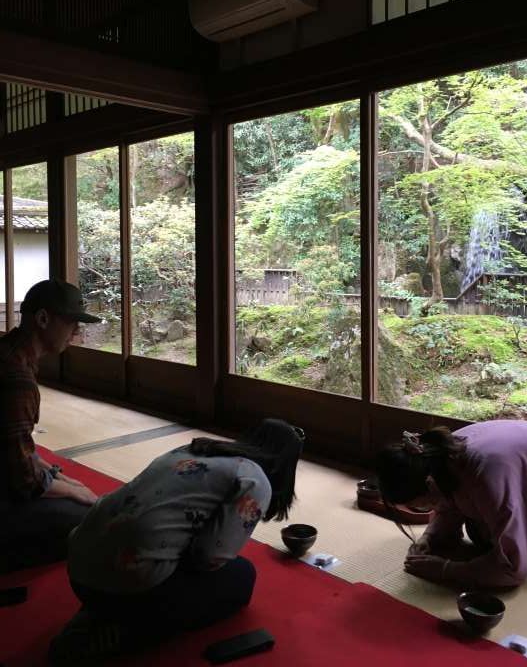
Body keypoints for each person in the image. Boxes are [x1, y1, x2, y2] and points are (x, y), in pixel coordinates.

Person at [48, 418, 305, 665]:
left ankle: (99, 613)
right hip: (128, 581)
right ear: (285, 466)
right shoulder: (254, 479)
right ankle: (125, 632)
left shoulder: (194, 448)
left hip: (79, 563)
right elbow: (208, 557)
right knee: (242, 576)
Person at [374, 420, 527, 589]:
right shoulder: (439, 455)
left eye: (424, 505)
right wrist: (431, 537)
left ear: (429, 484)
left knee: (518, 557)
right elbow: (448, 500)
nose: (430, 508)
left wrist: (445, 570)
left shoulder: (489, 473)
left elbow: (513, 570)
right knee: (480, 533)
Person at [0, 279, 101, 573]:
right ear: (43, 319)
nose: (77, 332)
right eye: (71, 323)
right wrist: (73, 492)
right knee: (84, 519)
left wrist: (57, 476)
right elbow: (22, 480)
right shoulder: (16, 378)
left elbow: (14, 446)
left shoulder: (8, 352)